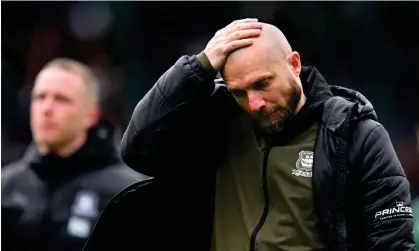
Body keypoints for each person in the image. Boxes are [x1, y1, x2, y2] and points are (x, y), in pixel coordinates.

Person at [83, 19, 416, 251]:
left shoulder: (356, 136)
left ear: (295, 64)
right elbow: (138, 148)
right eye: (239, 92)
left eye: (262, 84)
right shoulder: (218, 123)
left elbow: (391, 243)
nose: (254, 103)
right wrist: (197, 67)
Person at [1, 58, 148, 251]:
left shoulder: (126, 192)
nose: (47, 109)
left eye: (62, 99)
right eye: (40, 97)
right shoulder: (7, 185)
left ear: (91, 116)